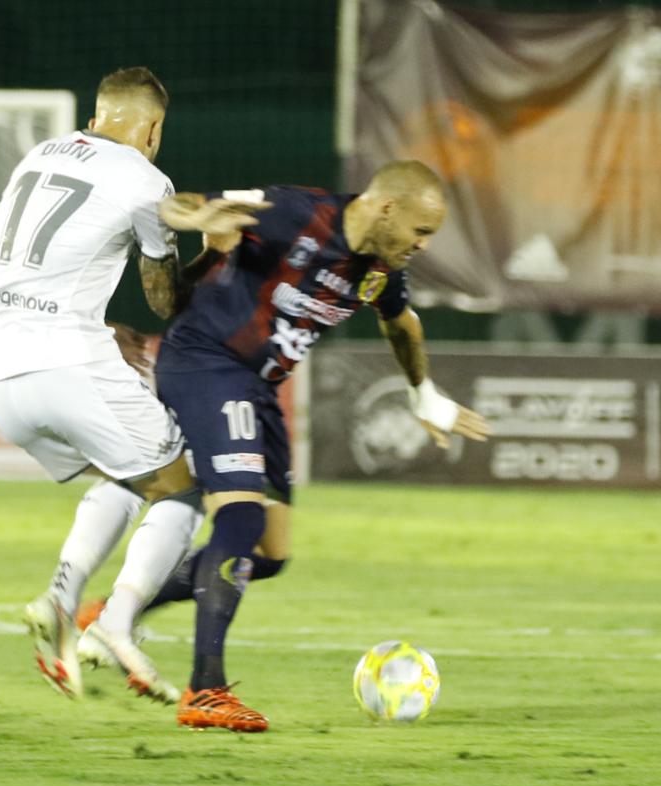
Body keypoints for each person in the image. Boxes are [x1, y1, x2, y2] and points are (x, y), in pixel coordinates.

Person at [147, 159, 493, 732]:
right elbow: (175, 203)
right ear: (387, 209)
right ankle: (204, 690)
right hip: (208, 361)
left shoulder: (381, 269)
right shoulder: (296, 211)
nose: (424, 245)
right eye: (421, 231)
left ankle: (116, 610)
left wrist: (423, 395)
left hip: (260, 385)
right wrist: (199, 215)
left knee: (270, 555)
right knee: (239, 522)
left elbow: (401, 324)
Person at [0, 66, 263, 703]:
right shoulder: (144, 178)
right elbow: (164, 300)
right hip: (67, 357)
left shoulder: (39, 154)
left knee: (124, 476)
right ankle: (116, 625)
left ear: (98, 114)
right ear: (153, 128)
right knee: (182, 488)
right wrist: (214, 250)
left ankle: (61, 595)